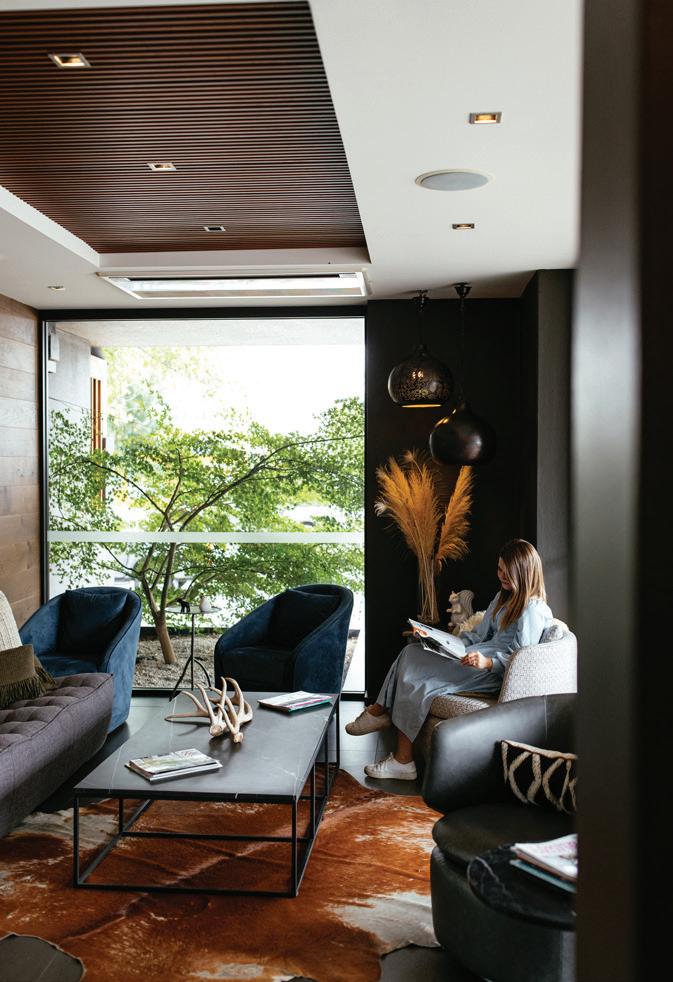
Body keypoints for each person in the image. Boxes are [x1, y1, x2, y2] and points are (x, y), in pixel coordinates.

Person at [346, 539, 554, 780]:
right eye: (499, 569)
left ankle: (395, 745)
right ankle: (382, 718)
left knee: (418, 680)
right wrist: (447, 642)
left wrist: (488, 663)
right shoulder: (503, 597)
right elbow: (479, 634)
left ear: (525, 572)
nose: (501, 576)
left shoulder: (533, 609)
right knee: (412, 651)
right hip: (472, 656)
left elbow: (522, 661)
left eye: (508, 572)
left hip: (490, 672)